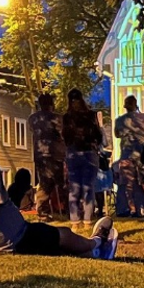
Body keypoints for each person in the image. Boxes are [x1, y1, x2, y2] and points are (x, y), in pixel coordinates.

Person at [0, 128, 116, 258]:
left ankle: (93, 253)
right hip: (14, 237)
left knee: (54, 249)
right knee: (62, 234)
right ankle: (97, 242)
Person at [62, 88, 103, 229]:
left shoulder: (67, 117)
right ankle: (87, 221)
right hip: (89, 152)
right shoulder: (91, 115)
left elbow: (65, 136)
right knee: (88, 187)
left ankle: (75, 221)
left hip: (73, 152)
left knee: (74, 188)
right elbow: (98, 135)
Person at [27, 93, 66, 221]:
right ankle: (61, 208)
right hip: (55, 153)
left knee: (44, 182)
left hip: (39, 153)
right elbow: (63, 133)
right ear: (51, 105)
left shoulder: (33, 119)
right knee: (59, 182)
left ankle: (44, 209)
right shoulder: (57, 119)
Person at [114, 95, 144, 216]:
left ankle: (131, 208)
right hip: (142, 155)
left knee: (128, 184)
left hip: (127, 154)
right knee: (143, 182)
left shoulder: (119, 120)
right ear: (136, 105)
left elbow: (117, 134)